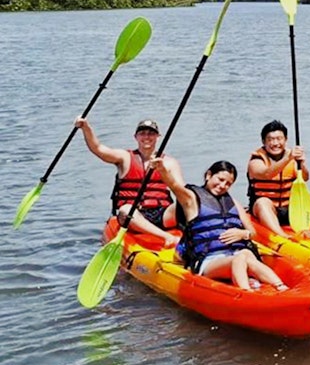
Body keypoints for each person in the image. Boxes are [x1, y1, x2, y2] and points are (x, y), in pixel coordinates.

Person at [155, 158, 287, 291]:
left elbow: (252, 232)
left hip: (235, 253)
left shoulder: (232, 202)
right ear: (209, 175)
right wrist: (162, 170)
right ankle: (246, 291)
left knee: (246, 253)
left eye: (228, 183)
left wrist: (243, 234)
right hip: (208, 260)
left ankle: (280, 286)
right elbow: (174, 185)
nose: (223, 185)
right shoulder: (192, 199)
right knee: (239, 258)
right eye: (220, 179)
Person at [75, 117, 177, 245]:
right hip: (132, 216)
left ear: (158, 136)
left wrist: (163, 171)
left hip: (162, 213)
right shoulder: (125, 157)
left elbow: (182, 191)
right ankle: (166, 236)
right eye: (142, 133)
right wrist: (86, 128)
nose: (147, 136)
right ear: (136, 137)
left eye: (151, 133)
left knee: (187, 204)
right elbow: (98, 149)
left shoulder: (169, 162)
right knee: (127, 210)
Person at [247, 120, 310, 237]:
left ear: (285, 140)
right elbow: (266, 174)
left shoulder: (292, 157)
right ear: (264, 142)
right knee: (262, 202)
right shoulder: (256, 160)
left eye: (279, 139)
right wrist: (288, 159)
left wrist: (301, 164)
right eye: (270, 139)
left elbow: (305, 178)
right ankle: (282, 236)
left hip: (292, 208)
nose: (275, 143)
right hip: (269, 210)